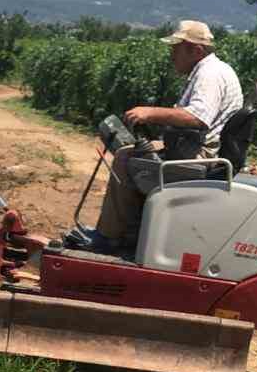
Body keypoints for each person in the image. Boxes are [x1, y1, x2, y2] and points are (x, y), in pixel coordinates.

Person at [69, 20, 243, 253]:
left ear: (196, 50)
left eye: (176, 48)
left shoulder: (209, 74)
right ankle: (132, 231)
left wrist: (150, 113)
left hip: (199, 156)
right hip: (196, 147)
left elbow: (198, 118)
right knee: (138, 150)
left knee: (124, 158)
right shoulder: (213, 70)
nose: (171, 54)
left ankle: (111, 237)